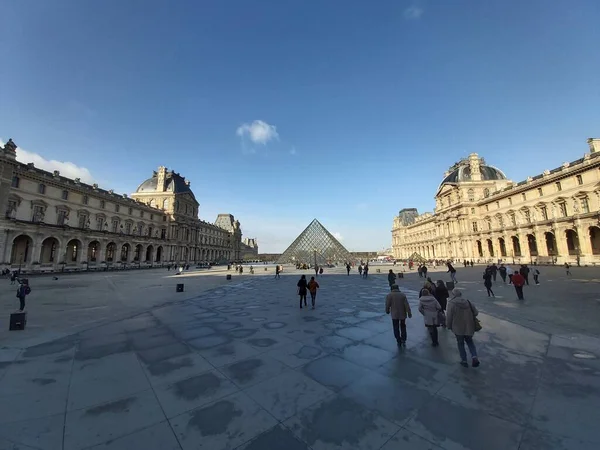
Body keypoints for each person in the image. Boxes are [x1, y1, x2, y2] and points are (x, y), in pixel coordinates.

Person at [446, 289, 480, 368]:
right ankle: (474, 357)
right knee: (470, 342)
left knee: (460, 343)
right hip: (469, 326)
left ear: (453, 295)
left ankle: (464, 360)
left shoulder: (451, 303)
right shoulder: (468, 302)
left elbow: (449, 316)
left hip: (457, 327)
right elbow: (476, 312)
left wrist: (448, 325)